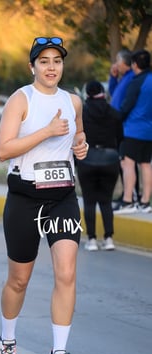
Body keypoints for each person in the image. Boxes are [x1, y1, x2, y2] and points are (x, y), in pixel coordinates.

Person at [0, 37, 89, 354]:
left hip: (62, 196)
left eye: (57, 61)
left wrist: (81, 146)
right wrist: (45, 131)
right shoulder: (21, 100)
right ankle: (6, 342)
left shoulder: (73, 101)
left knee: (66, 273)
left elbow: (79, 138)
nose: (52, 67)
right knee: (19, 278)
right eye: (44, 61)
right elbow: (3, 150)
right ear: (32, 66)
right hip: (25, 195)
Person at [76, 81, 122, 251]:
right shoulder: (114, 113)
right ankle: (109, 238)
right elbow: (120, 138)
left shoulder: (83, 113)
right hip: (110, 159)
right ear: (103, 92)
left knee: (89, 201)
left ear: (87, 94)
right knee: (106, 201)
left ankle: (92, 240)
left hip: (87, 159)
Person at [114, 49, 152, 214]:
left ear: (134, 64)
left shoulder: (136, 82)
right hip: (148, 130)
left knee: (127, 164)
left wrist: (115, 121)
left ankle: (128, 200)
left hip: (132, 130)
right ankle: (145, 202)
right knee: (146, 164)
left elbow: (126, 106)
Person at [108, 49, 140, 205]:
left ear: (124, 63)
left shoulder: (132, 77)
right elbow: (114, 93)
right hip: (117, 125)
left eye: (117, 62)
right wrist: (113, 77)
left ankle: (132, 195)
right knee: (122, 162)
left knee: (128, 162)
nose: (115, 64)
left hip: (126, 124)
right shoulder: (123, 78)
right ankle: (127, 193)